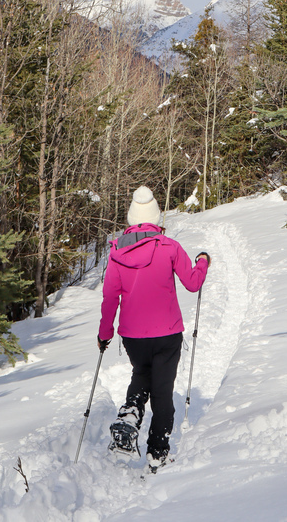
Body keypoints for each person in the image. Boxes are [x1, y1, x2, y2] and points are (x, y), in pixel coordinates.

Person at [97, 185, 210, 472]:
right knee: (162, 392)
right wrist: (202, 262)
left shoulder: (116, 253)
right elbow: (193, 283)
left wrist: (104, 334)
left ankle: (131, 412)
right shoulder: (169, 246)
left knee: (141, 373)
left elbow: (110, 297)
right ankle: (157, 453)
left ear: (131, 219)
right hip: (167, 332)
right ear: (156, 217)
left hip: (133, 336)